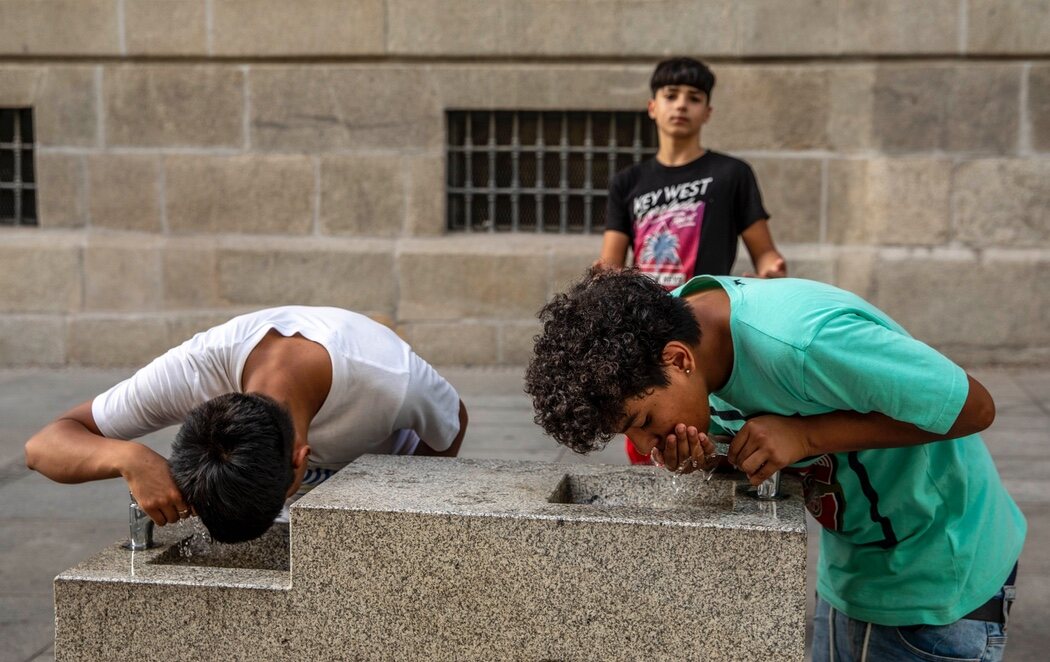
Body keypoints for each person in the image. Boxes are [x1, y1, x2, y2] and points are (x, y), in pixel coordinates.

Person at [524, 267, 1024, 661]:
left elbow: (973, 406)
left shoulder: (804, 341)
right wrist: (712, 456)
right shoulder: (662, 337)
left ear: (679, 360)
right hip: (855, 568)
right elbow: (762, 439)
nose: (645, 442)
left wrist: (805, 434)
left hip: (942, 576)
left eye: (645, 420)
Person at [24, 306, 468, 544]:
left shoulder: (392, 380)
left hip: (373, 451)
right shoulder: (194, 371)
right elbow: (42, 446)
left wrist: (396, 500)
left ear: (301, 458)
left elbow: (453, 423)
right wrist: (129, 456)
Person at [597, 57, 788, 465]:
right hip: (646, 341)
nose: (681, 105)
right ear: (653, 106)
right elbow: (611, 264)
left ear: (708, 111)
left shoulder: (732, 174)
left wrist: (772, 270)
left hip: (703, 335)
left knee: (710, 450)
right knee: (653, 448)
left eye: (694, 97)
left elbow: (764, 251)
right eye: (670, 95)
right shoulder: (628, 183)